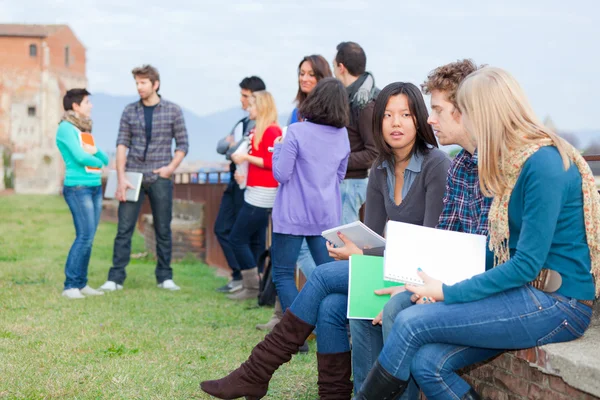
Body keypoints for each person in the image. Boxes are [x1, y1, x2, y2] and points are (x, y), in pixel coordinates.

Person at [353, 67, 600, 400]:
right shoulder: (511, 163)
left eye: (463, 111)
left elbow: (525, 265)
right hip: (527, 294)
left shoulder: (543, 164)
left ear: (484, 114)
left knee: (412, 322)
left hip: (560, 303)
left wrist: (447, 292)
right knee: (427, 362)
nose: (457, 118)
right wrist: (434, 283)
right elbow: (495, 252)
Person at [200, 82, 450, 400]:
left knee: (320, 275)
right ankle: (332, 395)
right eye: (388, 114)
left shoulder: (436, 163)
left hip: (422, 276)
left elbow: (432, 240)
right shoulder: (380, 170)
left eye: (405, 114)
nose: (396, 122)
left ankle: (257, 370)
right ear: (379, 122)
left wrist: (366, 255)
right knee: (330, 306)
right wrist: (358, 251)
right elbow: (372, 239)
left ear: (419, 119)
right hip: (387, 266)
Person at [349, 59, 499, 397]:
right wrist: (362, 252)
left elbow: (481, 253)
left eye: (434, 110)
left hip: (448, 280)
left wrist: (423, 286)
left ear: (466, 111)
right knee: (345, 301)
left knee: (377, 302)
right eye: (387, 115)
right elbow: (440, 238)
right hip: (422, 272)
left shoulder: (443, 164)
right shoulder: (460, 164)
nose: (430, 119)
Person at [256, 55, 333, 332]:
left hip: (300, 205)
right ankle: (290, 321)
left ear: (323, 78)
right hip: (318, 205)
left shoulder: (329, 119)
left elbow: (283, 170)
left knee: (292, 270)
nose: (304, 78)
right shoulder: (296, 113)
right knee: (310, 267)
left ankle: (301, 328)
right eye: (301, 73)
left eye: (311, 74)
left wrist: (280, 149)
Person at [99, 64, 189, 292]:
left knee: (163, 228)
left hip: (160, 176)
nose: (139, 87)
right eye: (137, 83)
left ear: (155, 84)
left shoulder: (173, 110)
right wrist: (120, 178)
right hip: (132, 175)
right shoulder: (130, 111)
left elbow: (183, 144)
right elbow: (122, 144)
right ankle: (115, 278)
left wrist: (170, 168)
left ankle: (165, 277)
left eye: (143, 83)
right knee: (124, 228)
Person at [271, 77, 350, 316]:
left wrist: (278, 148)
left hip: (292, 215)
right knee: (329, 274)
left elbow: (281, 174)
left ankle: (297, 333)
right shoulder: (342, 134)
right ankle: (336, 323)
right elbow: (339, 176)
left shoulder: (295, 131)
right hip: (325, 216)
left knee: (283, 274)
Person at [226, 91, 282, 301]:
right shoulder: (258, 131)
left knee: (237, 237)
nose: (248, 109)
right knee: (245, 238)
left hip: (263, 194)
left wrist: (246, 157)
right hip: (254, 190)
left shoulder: (272, 130)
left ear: (261, 107)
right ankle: (253, 285)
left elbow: (270, 162)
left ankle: (251, 286)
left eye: (251, 106)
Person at [214, 76, 266, 294]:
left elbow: (238, 151)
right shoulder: (242, 123)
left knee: (248, 235)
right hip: (237, 182)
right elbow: (223, 147)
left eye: (246, 96)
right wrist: (234, 147)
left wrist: (233, 147)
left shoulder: (261, 125)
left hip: (252, 187)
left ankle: (248, 280)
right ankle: (242, 276)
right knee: (225, 229)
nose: (242, 101)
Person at [56, 89, 109, 299]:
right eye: (87, 102)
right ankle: (70, 286)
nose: (91, 105)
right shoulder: (66, 128)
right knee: (84, 236)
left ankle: (81, 283)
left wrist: (102, 160)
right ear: (76, 106)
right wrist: (100, 163)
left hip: (94, 186)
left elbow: (98, 153)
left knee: (89, 236)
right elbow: (80, 156)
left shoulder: (83, 129)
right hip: (78, 188)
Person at [333, 41, 379, 225]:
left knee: (345, 242)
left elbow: (374, 152)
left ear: (341, 67)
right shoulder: (356, 95)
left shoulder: (365, 102)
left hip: (352, 183)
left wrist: (338, 160)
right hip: (349, 182)